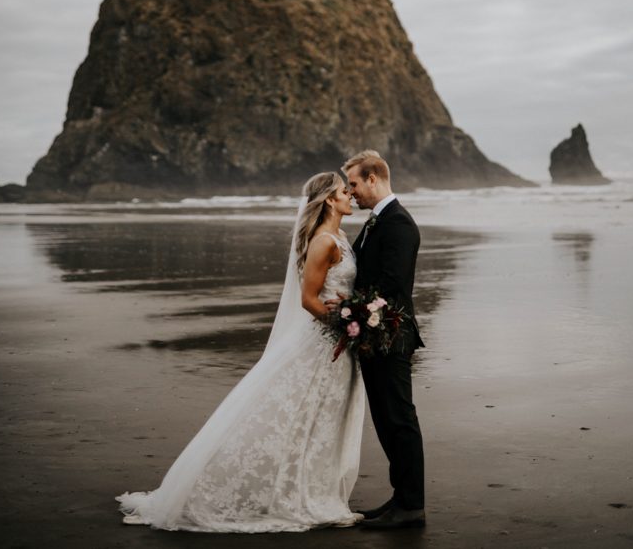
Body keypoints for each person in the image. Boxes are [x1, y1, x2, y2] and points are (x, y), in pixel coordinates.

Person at [116, 172, 365, 533]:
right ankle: (282, 493)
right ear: (329, 199)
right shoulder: (324, 242)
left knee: (320, 419)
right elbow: (309, 299)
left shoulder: (341, 236)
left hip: (338, 345)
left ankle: (309, 488)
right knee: (296, 415)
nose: (351, 196)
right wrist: (346, 319)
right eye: (345, 191)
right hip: (324, 342)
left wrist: (352, 312)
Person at [343, 149, 426, 529]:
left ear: (373, 178)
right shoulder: (376, 222)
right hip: (374, 337)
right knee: (385, 420)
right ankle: (399, 498)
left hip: (392, 335)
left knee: (400, 420)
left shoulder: (399, 224)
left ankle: (411, 506)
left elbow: (392, 288)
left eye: (355, 184)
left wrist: (349, 313)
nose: (352, 191)